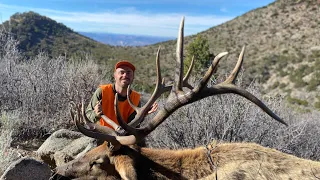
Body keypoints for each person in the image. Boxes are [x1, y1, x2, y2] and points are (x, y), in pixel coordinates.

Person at [85, 60, 158, 134]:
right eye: (122, 72)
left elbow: (132, 125)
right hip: (100, 135)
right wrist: (95, 114)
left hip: (122, 137)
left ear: (133, 77)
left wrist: (142, 115)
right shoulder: (102, 91)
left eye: (129, 73)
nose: (125, 75)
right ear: (115, 76)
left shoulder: (135, 98)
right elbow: (87, 116)